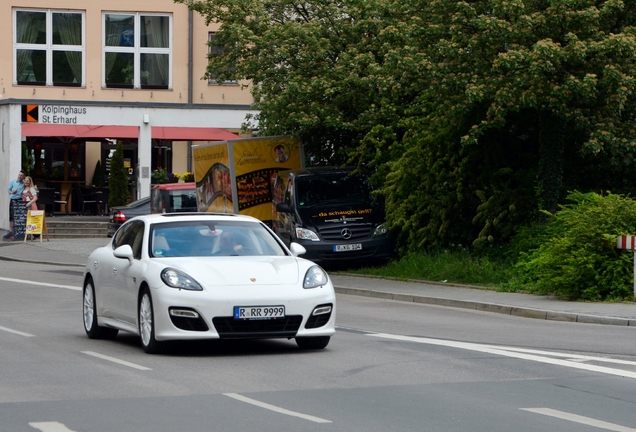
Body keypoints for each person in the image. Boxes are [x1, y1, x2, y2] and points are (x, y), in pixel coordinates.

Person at [4, 170, 25, 241]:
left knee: (18, 216)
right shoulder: (13, 182)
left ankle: (17, 232)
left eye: (21, 175)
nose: (20, 176)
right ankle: (11, 232)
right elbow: (8, 190)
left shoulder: (23, 183)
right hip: (13, 200)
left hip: (19, 201)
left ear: (23, 177)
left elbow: (28, 187)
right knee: (11, 216)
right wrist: (12, 191)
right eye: (19, 175)